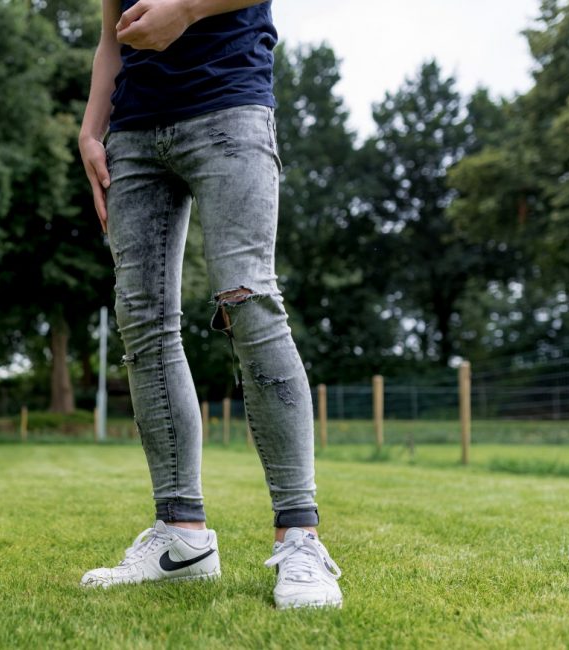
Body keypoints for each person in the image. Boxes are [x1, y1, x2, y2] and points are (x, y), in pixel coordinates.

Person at [77, 0, 343, 608]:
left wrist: (188, 10)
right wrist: (91, 129)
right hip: (133, 130)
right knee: (142, 326)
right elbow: (111, 33)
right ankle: (182, 537)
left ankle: (300, 538)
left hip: (229, 103)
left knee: (250, 301)